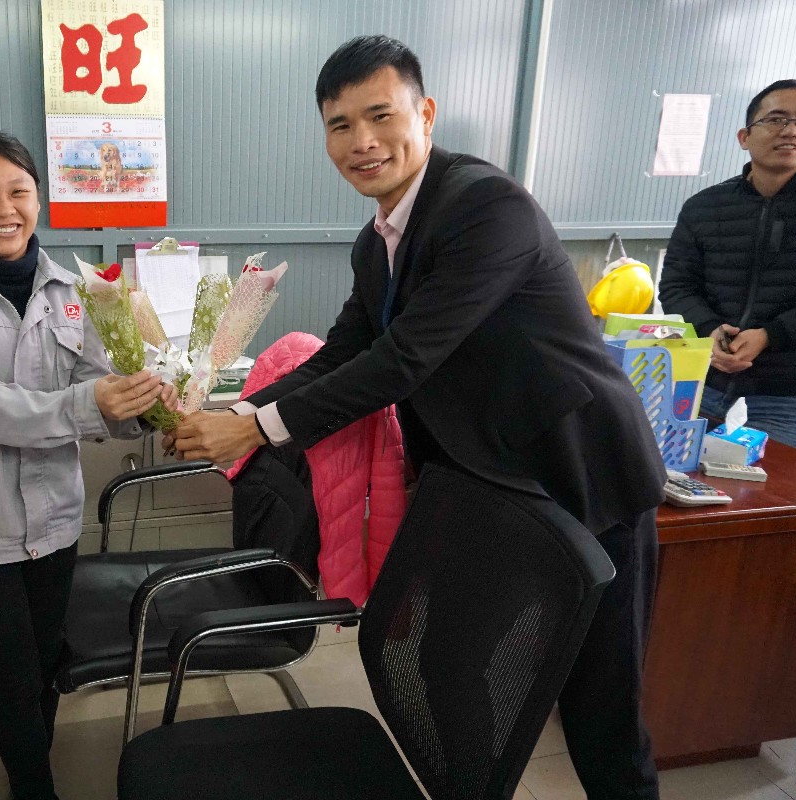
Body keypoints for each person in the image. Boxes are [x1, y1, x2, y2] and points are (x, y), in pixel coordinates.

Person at [169, 35, 666, 799]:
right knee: (443, 664)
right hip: (483, 484)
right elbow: (344, 353)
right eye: (340, 125)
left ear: (425, 114)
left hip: (583, 477)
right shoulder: (377, 245)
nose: (362, 142)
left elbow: (403, 360)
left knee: (600, 713)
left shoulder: (487, 208)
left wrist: (258, 429)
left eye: (381, 116)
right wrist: (235, 412)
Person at [0, 131, 172, 800]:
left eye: (18, 192)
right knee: (12, 676)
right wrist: (90, 402)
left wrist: (147, 406)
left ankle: (32, 766)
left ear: (38, 199)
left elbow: (95, 383)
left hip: (54, 513)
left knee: (46, 661)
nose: (5, 209)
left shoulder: (71, 290)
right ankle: (33, 789)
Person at [659, 79, 796, 448]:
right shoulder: (705, 207)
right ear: (744, 137)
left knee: (772, 485)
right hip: (702, 380)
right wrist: (709, 331)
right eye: (777, 119)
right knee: (671, 469)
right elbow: (676, 284)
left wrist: (771, 335)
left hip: (786, 397)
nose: (790, 131)